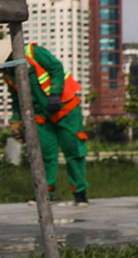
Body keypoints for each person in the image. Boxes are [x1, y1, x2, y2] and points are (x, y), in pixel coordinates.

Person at [19, 43, 89, 205]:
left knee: (74, 150)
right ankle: (45, 195)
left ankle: (80, 194)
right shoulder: (8, 74)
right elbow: (17, 100)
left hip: (66, 109)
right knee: (45, 154)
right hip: (42, 115)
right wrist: (17, 121)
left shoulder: (32, 52)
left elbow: (56, 68)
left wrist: (55, 93)